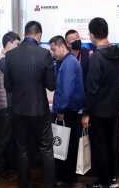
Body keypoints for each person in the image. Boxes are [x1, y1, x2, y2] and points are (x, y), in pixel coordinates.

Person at [4, 21, 56, 188]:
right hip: (39, 109)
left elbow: (7, 86)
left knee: (22, 149)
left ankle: (25, 184)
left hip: (19, 109)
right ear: (39, 35)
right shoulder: (44, 54)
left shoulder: (10, 55)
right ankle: (49, 185)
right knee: (46, 149)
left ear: (25, 34)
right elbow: (51, 85)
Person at [81, 17, 119, 188]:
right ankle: (112, 179)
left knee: (100, 147)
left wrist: (86, 113)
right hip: (113, 109)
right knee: (111, 145)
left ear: (92, 35)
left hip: (98, 111)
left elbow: (91, 89)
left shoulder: (97, 57)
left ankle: (104, 182)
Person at [52, 37, 84, 186]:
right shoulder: (68, 61)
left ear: (62, 47)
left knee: (65, 145)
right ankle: (67, 176)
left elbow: (67, 90)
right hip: (69, 109)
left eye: (54, 49)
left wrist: (60, 110)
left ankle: (66, 177)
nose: (53, 53)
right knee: (67, 144)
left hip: (67, 111)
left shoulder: (69, 63)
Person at [0, 31, 20, 182]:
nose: (18, 47)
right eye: (17, 44)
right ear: (9, 44)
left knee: (8, 138)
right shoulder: (3, 60)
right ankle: (0, 169)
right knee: (3, 140)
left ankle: (6, 166)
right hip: (5, 105)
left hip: (8, 104)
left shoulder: (5, 58)